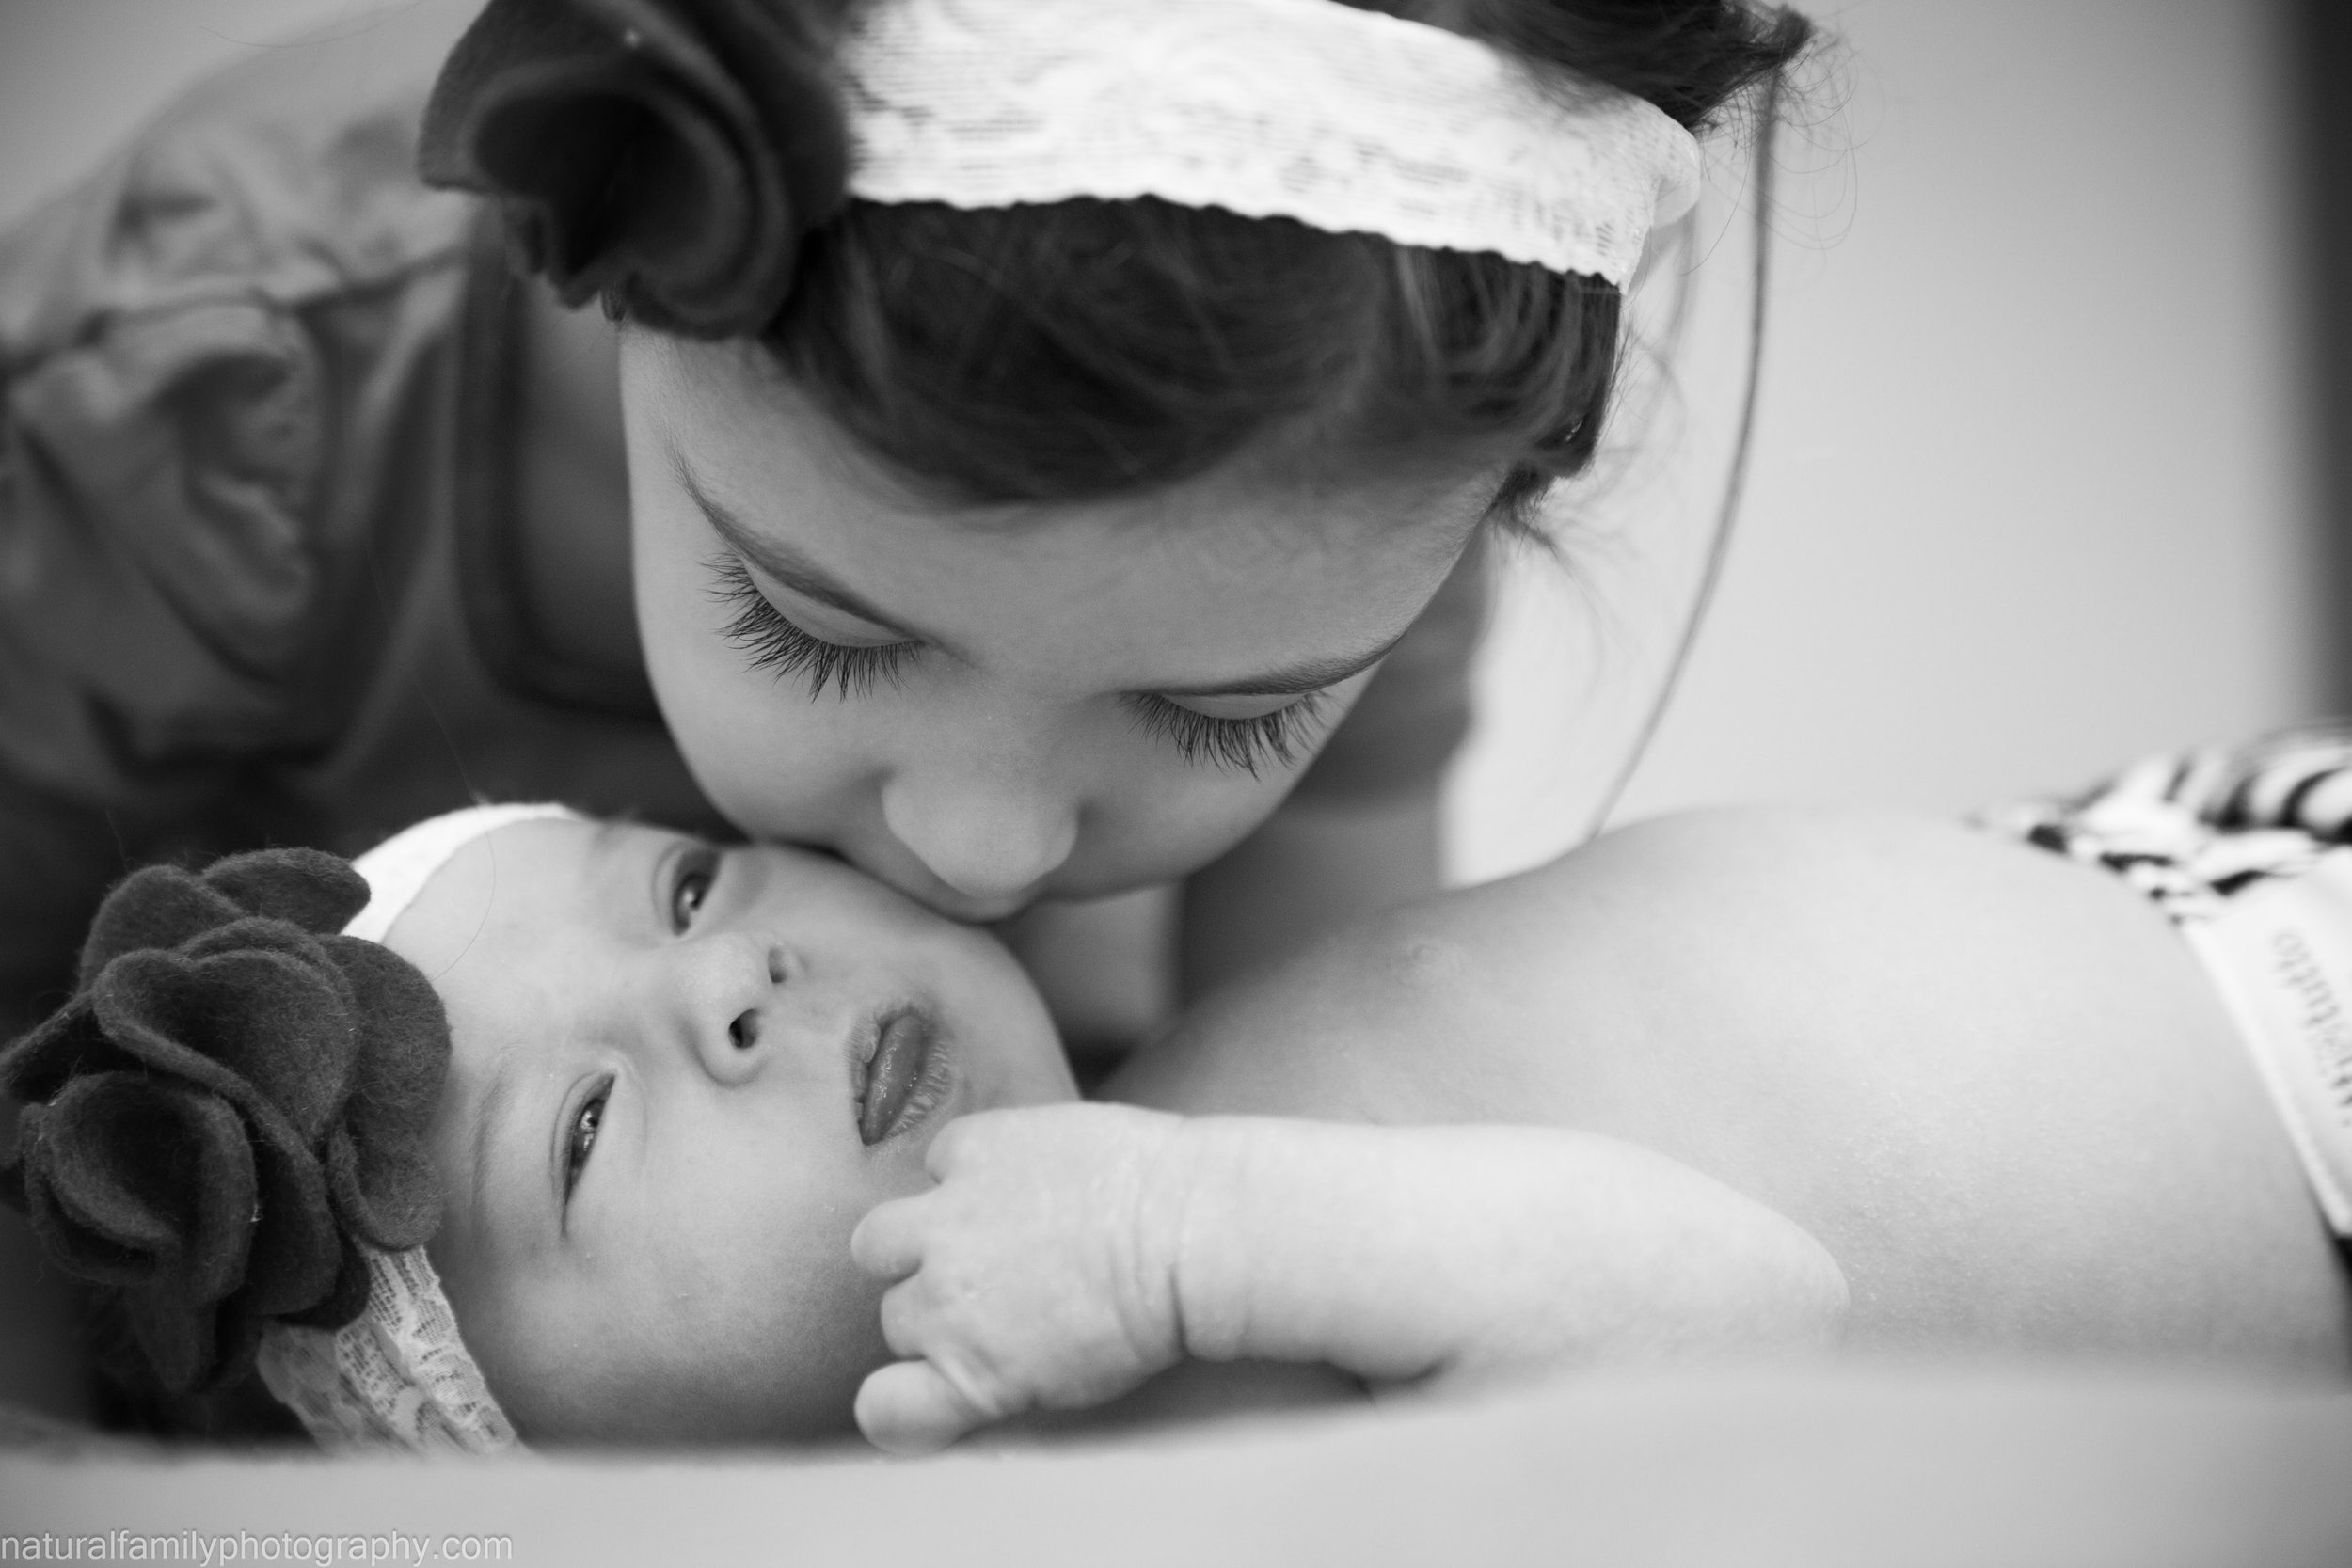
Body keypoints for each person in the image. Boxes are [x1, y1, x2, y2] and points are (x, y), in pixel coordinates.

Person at [0, 0, 1811, 1063]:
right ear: (623, 276)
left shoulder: (1347, 473)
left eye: (1224, 720)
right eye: (822, 630)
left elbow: (1311, 1096)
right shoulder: (192, 405)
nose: (986, 845)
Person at [14, 729, 2350, 1454]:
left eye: (690, 887)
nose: (736, 988)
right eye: (588, 1136)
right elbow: (1744, 1319)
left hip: (2169, 848)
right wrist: (1182, 1236)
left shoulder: (1122, 1098)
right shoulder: (1145, 1432)